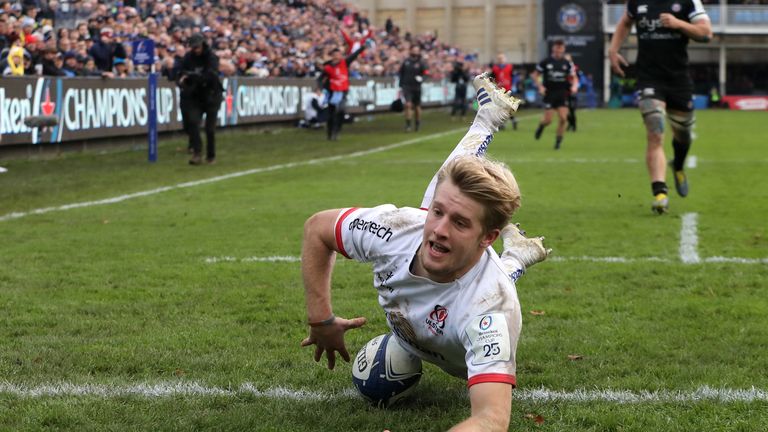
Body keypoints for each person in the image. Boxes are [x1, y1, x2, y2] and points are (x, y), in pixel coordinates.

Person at [300, 73, 550, 431]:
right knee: (445, 200)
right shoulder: (399, 228)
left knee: (490, 283)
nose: (439, 230)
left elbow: (492, 419)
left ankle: (515, 257)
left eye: (461, 224)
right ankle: (487, 123)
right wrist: (321, 320)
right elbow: (316, 229)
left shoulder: (490, 312)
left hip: (457, 355)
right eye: (437, 213)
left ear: (487, 237)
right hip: (417, 327)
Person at [609, 0, 712, 214]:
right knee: (655, 132)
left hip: (679, 81)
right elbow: (625, 23)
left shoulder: (688, 2)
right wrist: (613, 50)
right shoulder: (637, 2)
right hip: (649, 79)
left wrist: (678, 24)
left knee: (683, 135)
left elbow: (706, 33)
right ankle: (660, 192)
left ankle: (679, 165)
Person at [177, 33, 223, 165]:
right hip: (195, 95)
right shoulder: (188, 58)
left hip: (211, 95)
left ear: (203, 45)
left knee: (210, 128)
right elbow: (180, 71)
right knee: (192, 122)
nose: (196, 50)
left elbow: (210, 75)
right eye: (193, 47)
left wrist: (192, 76)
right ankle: (197, 152)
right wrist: (183, 79)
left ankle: (211, 155)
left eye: (197, 47)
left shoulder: (211, 57)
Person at [532, 40, 578, 150]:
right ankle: (541, 126)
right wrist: (540, 86)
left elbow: (574, 77)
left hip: (562, 93)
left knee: (563, 118)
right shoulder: (546, 62)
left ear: (563, 49)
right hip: (550, 93)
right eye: (557, 48)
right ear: (553, 49)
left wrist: (574, 86)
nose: (558, 50)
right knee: (548, 120)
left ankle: (558, 141)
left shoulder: (567, 63)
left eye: (560, 48)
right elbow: (535, 75)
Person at [318, 44, 365, 141]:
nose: (338, 56)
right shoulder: (328, 67)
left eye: (339, 54)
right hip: (332, 91)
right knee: (331, 113)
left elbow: (353, 55)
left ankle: (337, 131)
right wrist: (321, 88)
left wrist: (362, 48)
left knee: (341, 110)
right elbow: (320, 78)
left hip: (342, 91)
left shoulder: (344, 63)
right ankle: (330, 133)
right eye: (336, 55)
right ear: (333, 56)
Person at [399, 44, 427, 132]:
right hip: (406, 86)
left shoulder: (421, 62)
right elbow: (401, 73)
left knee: (417, 107)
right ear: (411, 51)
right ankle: (408, 125)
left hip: (416, 87)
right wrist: (401, 85)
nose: (415, 52)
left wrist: (422, 78)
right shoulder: (406, 62)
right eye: (414, 50)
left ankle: (417, 123)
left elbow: (425, 73)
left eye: (417, 50)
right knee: (408, 105)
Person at [490, 53, 518, 130]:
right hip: (499, 90)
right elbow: (492, 79)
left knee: (507, 107)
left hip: (508, 89)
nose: (500, 60)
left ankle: (511, 120)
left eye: (501, 58)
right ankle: (508, 122)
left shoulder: (510, 67)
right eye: (499, 58)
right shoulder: (495, 68)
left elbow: (515, 77)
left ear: (505, 59)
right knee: (500, 107)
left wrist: (514, 85)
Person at [563, 53, 579, 132]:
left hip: (571, 91)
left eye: (567, 58)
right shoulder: (562, 67)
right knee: (564, 110)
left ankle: (573, 125)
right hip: (563, 91)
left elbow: (575, 78)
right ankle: (570, 123)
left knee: (571, 109)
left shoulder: (574, 68)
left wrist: (574, 87)